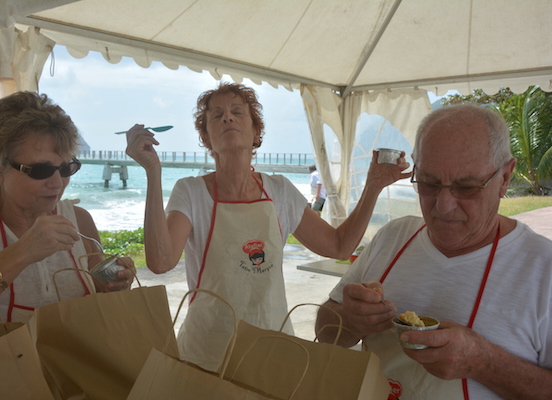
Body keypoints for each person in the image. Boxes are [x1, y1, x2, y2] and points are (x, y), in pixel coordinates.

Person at [125, 82, 410, 372]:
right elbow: (161, 262)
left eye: (238, 112)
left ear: (256, 132)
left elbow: (338, 245)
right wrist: (153, 171)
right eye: (217, 115)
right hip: (206, 353)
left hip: (272, 349)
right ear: (206, 138)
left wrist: (373, 187)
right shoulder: (190, 192)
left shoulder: (280, 191)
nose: (228, 118)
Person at [315, 104, 552, 399]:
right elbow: (326, 331)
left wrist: (484, 363)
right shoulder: (393, 236)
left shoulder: (544, 268)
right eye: (429, 183)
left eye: (466, 187)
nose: (443, 206)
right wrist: (349, 319)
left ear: (504, 178)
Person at [0, 91, 135, 330]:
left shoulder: (79, 221)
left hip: (76, 364)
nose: (57, 183)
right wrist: (23, 252)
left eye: (66, 168)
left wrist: (117, 283)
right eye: (40, 171)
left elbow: (99, 298)